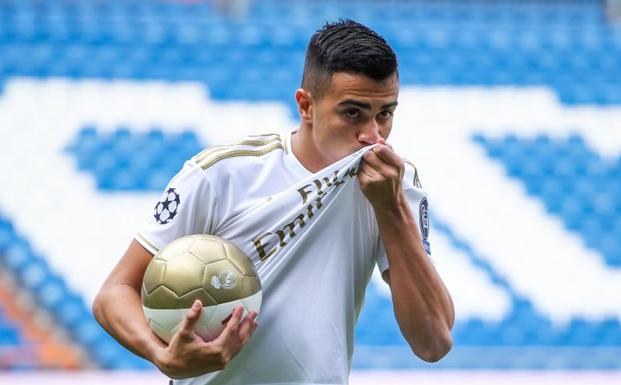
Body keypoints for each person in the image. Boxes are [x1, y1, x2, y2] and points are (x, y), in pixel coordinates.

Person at [93, 19, 454, 385]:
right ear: (306, 106)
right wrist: (162, 355)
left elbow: (434, 341)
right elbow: (114, 293)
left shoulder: (396, 184)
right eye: (352, 113)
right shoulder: (223, 174)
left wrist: (390, 210)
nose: (373, 136)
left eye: (385, 114)